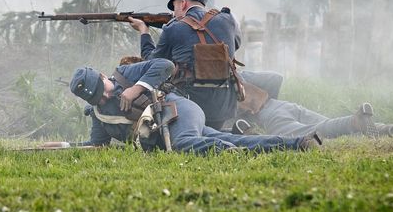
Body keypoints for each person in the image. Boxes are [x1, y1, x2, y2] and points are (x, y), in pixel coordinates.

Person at [68, 58, 321, 154]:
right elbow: (97, 144)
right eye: (96, 99)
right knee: (234, 140)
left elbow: (165, 65)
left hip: (178, 112)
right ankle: (297, 143)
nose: (103, 99)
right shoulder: (100, 113)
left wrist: (138, 87)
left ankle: (224, 151)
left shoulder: (124, 74)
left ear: (103, 77)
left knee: (183, 144)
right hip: (169, 130)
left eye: (103, 92)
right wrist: (66, 146)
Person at [128, 0, 240, 130]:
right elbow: (235, 45)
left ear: (183, 3)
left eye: (174, 7)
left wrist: (144, 31)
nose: (173, 12)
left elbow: (152, 62)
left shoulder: (173, 28)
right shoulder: (228, 20)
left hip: (189, 105)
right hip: (223, 106)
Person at [234, 70, 393, 138]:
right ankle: (388, 129)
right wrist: (264, 97)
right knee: (330, 126)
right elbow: (275, 78)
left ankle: (353, 122)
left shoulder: (228, 83)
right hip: (284, 105)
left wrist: (251, 108)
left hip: (268, 115)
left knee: (309, 133)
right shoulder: (242, 74)